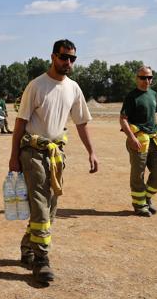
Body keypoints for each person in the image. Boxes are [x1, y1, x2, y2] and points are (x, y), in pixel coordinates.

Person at [9, 40, 98, 284]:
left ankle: (28, 247)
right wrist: (13, 156)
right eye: (63, 57)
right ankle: (41, 260)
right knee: (39, 204)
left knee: (50, 208)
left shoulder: (73, 88)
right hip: (33, 152)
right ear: (52, 56)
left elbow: (81, 123)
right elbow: (19, 124)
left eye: (72, 58)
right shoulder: (36, 86)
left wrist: (92, 152)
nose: (68, 62)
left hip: (56, 154)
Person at [120, 65, 157, 217]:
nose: (146, 80)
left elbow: (154, 115)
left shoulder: (153, 94)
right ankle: (139, 206)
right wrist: (132, 138)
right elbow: (123, 119)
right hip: (138, 141)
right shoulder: (131, 97)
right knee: (138, 174)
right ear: (137, 78)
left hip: (154, 139)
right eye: (143, 77)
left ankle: (146, 198)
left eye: (149, 77)